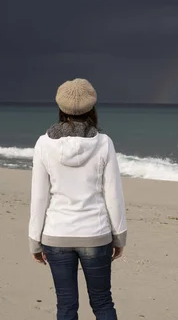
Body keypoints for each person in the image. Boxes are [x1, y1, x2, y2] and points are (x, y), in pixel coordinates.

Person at [28, 78, 127, 320]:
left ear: (60, 108)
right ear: (91, 108)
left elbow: (39, 196)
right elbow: (113, 193)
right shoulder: (103, 143)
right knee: (103, 302)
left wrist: (34, 239)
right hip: (95, 233)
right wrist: (119, 235)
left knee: (66, 305)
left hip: (57, 234)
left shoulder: (44, 144)